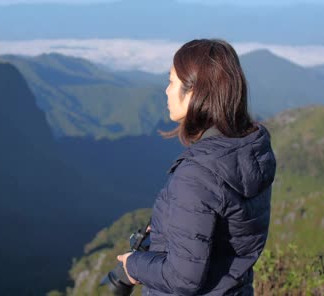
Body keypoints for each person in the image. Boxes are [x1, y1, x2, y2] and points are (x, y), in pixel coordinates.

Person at [116, 39, 276, 296]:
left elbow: (183, 277)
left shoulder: (198, 174)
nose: (166, 91)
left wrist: (132, 265)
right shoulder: (249, 155)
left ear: (194, 92)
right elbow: (222, 233)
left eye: (172, 82)